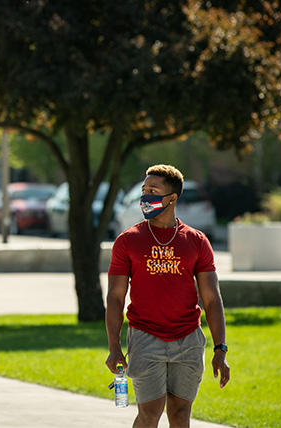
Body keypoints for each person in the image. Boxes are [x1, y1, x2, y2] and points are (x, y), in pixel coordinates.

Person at [105, 165, 230, 428]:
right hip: (145, 337)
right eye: (143, 190)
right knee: (150, 414)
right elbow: (115, 297)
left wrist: (220, 348)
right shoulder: (127, 241)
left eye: (153, 191)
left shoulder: (196, 241)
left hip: (188, 339)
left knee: (180, 414)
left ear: (172, 198)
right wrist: (114, 347)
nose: (145, 197)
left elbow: (211, 297)